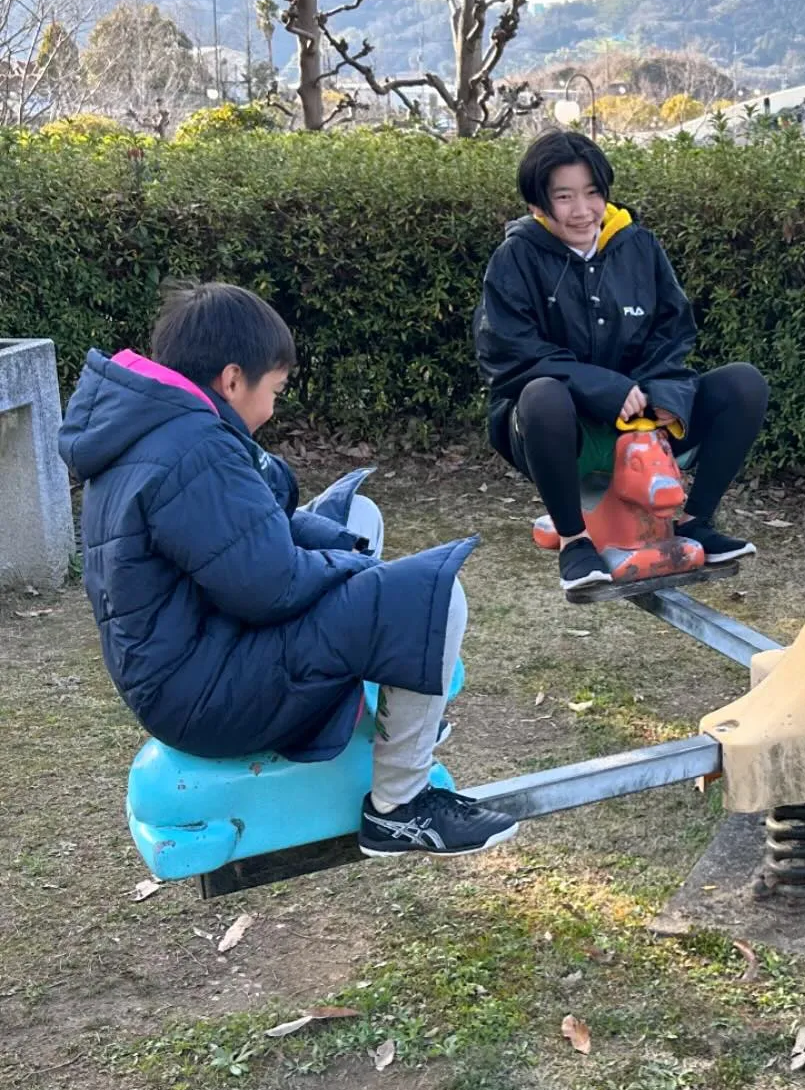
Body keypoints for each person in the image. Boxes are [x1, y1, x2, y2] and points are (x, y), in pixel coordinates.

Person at [58, 281, 518, 859]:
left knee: (360, 519)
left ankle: (384, 717)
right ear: (231, 381)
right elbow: (268, 585)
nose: (274, 408)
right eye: (274, 389)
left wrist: (346, 548)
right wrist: (351, 567)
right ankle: (400, 808)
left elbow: (253, 530)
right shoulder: (193, 449)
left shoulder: (160, 429)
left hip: (192, 665)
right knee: (434, 597)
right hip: (204, 694)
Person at [474, 130, 769, 595]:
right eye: (565, 196)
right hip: (557, 428)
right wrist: (602, 386)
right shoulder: (516, 257)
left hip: (641, 415)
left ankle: (695, 521)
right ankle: (574, 541)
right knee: (543, 395)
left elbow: (673, 331)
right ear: (539, 204)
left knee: (743, 385)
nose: (583, 210)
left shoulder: (638, 245)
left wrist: (662, 393)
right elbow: (507, 351)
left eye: (593, 193)